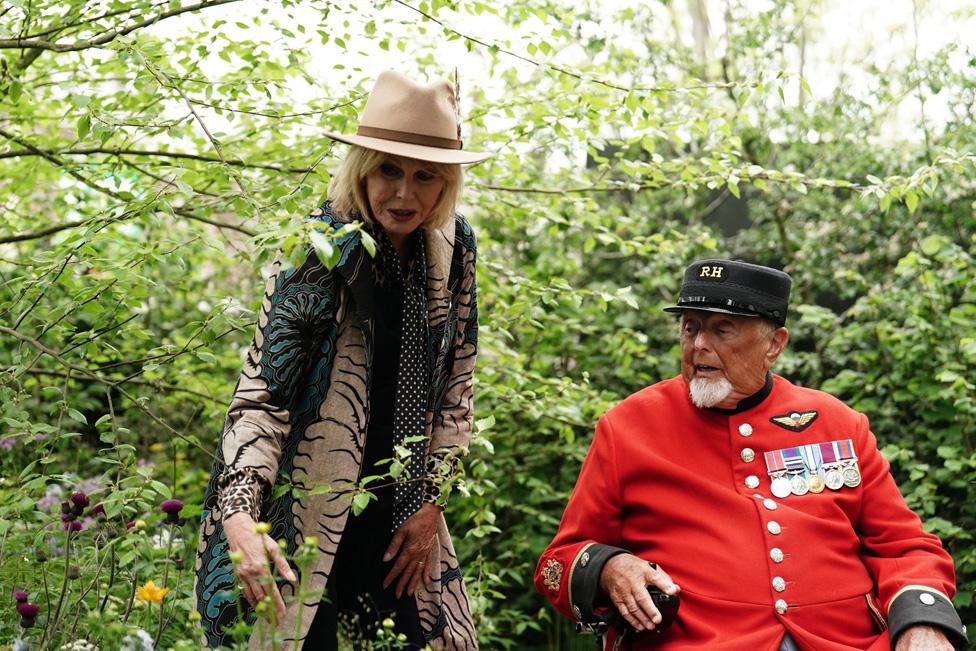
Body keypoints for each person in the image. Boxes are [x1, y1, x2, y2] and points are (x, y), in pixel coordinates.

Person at [194, 70, 489, 650]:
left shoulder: (454, 249)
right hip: (305, 508)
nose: (404, 194)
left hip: (402, 511)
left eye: (424, 176)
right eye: (388, 170)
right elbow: (261, 401)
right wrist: (240, 518)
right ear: (361, 168)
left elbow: (458, 387)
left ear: (445, 183)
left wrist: (431, 501)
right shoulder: (318, 250)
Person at [534, 259, 969, 650]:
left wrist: (922, 621)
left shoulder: (837, 422)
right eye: (690, 327)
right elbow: (558, 561)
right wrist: (611, 566)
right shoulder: (629, 426)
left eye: (722, 330)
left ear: (774, 344)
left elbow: (906, 546)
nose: (699, 345)